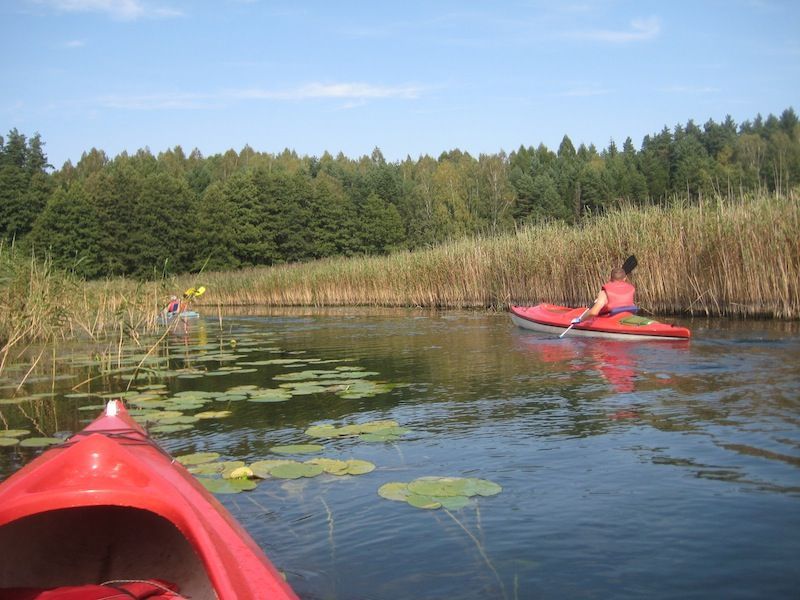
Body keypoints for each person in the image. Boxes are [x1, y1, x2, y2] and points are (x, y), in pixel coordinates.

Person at [571, 266, 636, 324]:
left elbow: (593, 312)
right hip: (627, 318)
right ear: (625, 278)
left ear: (610, 278)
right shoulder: (631, 288)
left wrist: (580, 319)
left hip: (609, 320)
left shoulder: (604, 292)